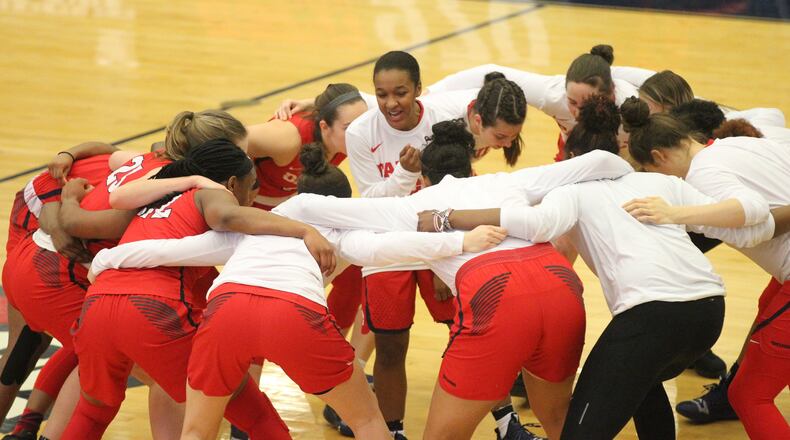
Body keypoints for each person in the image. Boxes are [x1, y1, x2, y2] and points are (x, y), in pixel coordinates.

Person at [240, 119, 640, 439]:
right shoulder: (508, 181)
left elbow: (309, 205)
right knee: (557, 418)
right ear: (469, 166)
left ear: (426, 177)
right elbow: (604, 161)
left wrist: (277, 224)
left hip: (499, 295)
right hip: (560, 287)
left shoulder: (417, 204)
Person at [84, 142, 507, 440]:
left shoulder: (253, 226)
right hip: (292, 313)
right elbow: (390, 247)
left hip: (227, 311)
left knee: (195, 431)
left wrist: (104, 261)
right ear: (342, 203)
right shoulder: (338, 232)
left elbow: (172, 250)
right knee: (366, 421)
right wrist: (460, 242)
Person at [434, 96, 775, 439]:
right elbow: (756, 213)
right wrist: (677, 214)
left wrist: (450, 217)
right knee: (644, 381)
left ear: (571, 159)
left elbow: (536, 225)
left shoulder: (571, 191)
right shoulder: (660, 182)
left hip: (653, 316)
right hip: (710, 311)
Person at [59, 138, 335, 440]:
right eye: (252, 185)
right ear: (232, 183)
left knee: (93, 412)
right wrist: (304, 229)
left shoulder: (154, 195)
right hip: (151, 307)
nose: (254, 194)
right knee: (252, 410)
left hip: (97, 306)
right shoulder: (209, 193)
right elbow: (227, 216)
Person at [2, 109, 249, 440]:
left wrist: (68, 158)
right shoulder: (167, 190)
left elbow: (104, 151)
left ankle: (26, 428)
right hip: (57, 271)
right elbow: (75, 222)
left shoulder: (153, 159)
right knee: (156, 369)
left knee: (77, 357)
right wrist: (64, 204)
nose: (246, 163)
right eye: (240, 155)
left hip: (34, 259)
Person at [622, 97, 790, 439]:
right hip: (783, 278)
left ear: (658, 157)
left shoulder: (702, 176)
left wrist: (676, 214)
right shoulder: (738, 143)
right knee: (767, 303)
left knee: (749, 397)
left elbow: (754, 214)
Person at [425, 44, 640, 161]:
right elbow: (490, 72)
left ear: (610, 93)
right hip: (574, 151)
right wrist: (428, 95)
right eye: (572, 102)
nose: (577, 113)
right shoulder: (552, 95)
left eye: (586, 105)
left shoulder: (633, 111)